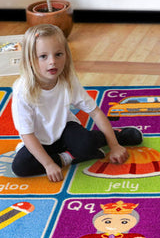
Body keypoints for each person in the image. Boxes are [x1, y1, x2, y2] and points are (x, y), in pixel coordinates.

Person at [9, 24, 142, 180]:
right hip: (37, 139)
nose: (52, 62)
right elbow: (27, 134)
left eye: (58, 54)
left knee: (86, 144)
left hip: (65, 129)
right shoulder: (22, 90)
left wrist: (114, 145)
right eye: (43, 56)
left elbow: (95, 112)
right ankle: (68, 157)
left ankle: (117, 136)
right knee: (20, 167)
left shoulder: (67, 80)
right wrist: (48, 164)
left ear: (67, 54)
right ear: (30, 60)